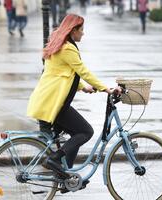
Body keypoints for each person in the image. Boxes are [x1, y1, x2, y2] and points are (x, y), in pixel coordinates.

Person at [27, 14, 121, 181]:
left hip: (47, 102)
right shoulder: (68, 48)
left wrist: (83, 87)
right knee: (86, 131)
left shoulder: (59, 45)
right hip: (54, 105)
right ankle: (55, 160)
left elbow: (62, 73)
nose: (83, 34)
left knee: (76, 133)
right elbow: (82, 71)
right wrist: (106, 89)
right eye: (81, 30)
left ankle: (65, 175)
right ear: (73, 30)